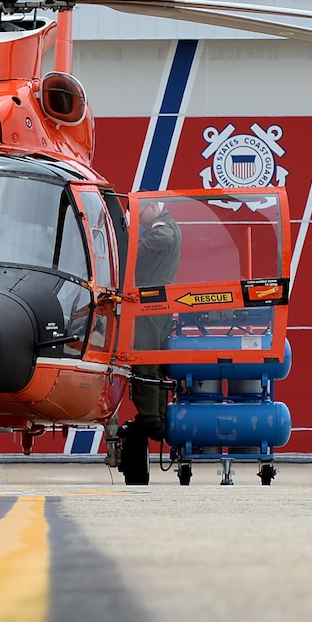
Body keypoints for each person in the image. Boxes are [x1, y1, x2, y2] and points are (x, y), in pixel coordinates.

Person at [121, 199, 180, 480]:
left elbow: (162, 237)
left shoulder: (164, 227)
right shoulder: (162, 224)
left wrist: (131, 249)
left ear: (153, 209)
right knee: (153, 363)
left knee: (144, 361)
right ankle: (155, 417)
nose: (141, 223)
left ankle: (150, 418)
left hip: (149, 305)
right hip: (157, 306)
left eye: (141, 217)